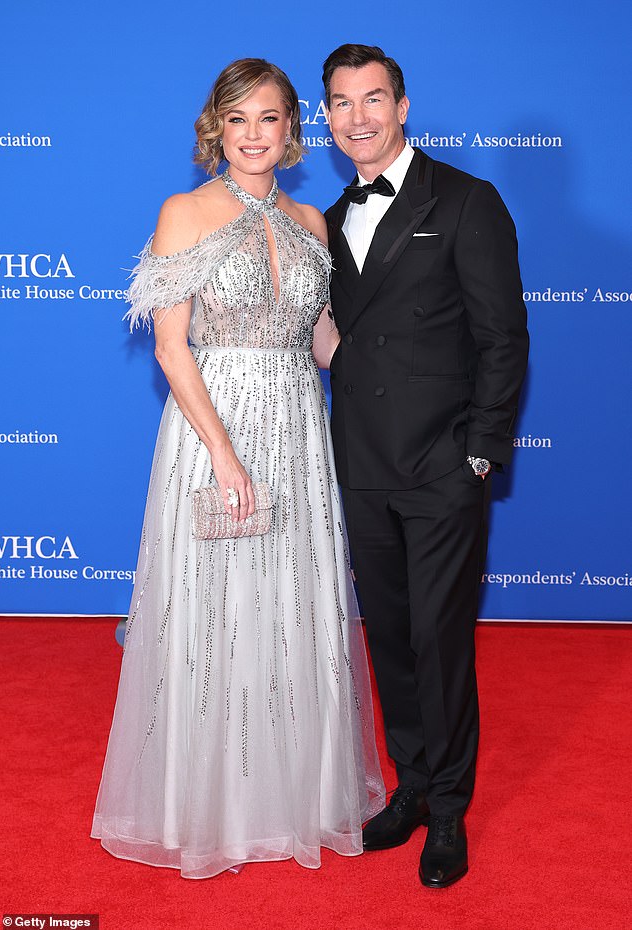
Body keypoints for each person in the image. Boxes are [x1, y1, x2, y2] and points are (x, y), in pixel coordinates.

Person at [91, 58, 384, 879]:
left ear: (294, 129)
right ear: (215, 127)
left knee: (292, 605)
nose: (255, 134)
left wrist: (402, 372)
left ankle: (288, 798)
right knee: (216, 611)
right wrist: (223, 452)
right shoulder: (185, 212)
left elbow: (323, 343)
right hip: (214, 426)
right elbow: (171, 346)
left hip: (298, 428)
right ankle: (207, 807)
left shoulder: (313, 224)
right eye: (239, 118)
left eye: (271, 118)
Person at [322, 44, 529, 888]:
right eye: (341, 103)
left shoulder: (467, 200)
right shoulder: (332, 217)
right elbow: (338, 340)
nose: (359, 117)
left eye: (374, 99)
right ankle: (409, 787)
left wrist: (478, 451)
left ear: (403, 107)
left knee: (440, 644)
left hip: (443, 465)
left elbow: (503, 339)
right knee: (395, 642)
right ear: (326, 118)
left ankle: (448, 810)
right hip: (363, 463)